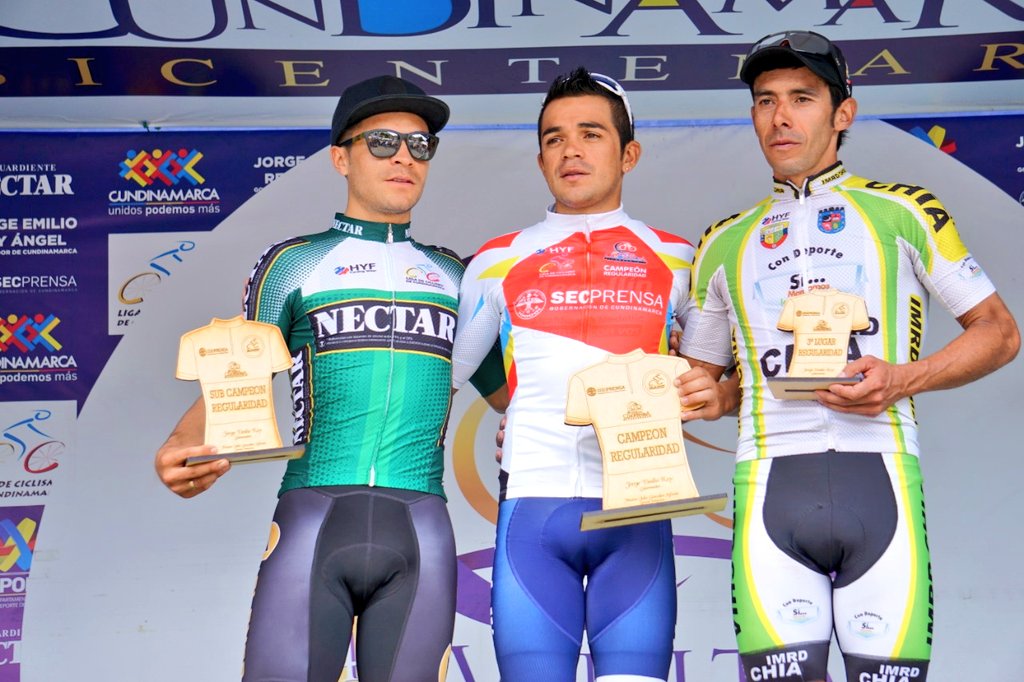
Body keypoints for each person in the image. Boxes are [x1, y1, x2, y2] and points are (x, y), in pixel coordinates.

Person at [676, 30, 1020, 682]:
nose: (780, 116)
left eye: (801, 97)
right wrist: (700, 397)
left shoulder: (903, 212)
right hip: (769, 486)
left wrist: (904, 378)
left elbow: (999, 332)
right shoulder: (721, 242)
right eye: (765, 100)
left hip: (881, 475)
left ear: (843, 113)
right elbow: (706, 385)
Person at [154, 75, 507, 682]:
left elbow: (519, 396)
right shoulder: (293, 264)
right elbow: (236, 381)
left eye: (420, 145)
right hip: (314, 518)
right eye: (383, 142)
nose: (404, 157)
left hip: (421, 527)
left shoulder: (459, 276)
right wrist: (182, 444)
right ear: (341, 158)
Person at [451, 67, 695, 682]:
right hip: (534, 511)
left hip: (637, 512)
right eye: (554, 138)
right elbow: (442, 374)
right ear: (540, 160)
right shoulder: (496, 259)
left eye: (591, 134)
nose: (571, 150)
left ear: (629, 154)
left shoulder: (679, 258)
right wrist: (511, 407)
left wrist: (700, 389)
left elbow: (717, 379)